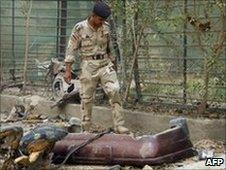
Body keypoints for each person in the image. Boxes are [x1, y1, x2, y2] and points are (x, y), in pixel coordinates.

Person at [64, 1, 129, 134]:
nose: (102, 22)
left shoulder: (106, 27)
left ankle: (119, 125)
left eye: (104, 19)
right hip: (88, 66)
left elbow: (110, 48)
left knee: (115, 91)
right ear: (93, 15)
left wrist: (114, 64)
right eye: (100, 19)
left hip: (105, 64)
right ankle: (86, 129)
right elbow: (71, 49)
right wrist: (68, 70)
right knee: (87, 98)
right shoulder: (79, 28)